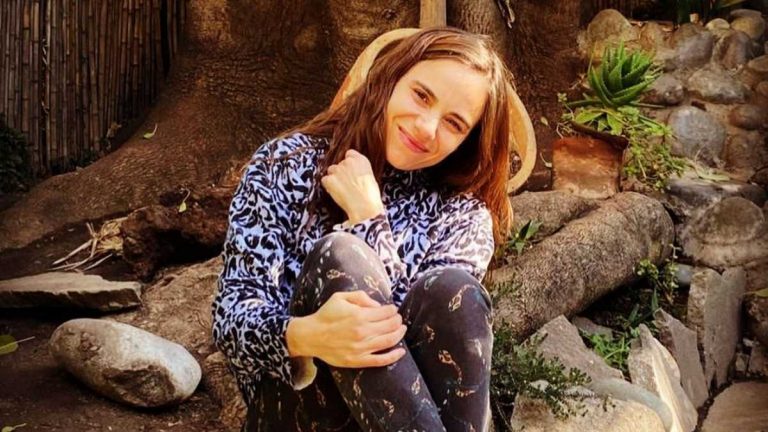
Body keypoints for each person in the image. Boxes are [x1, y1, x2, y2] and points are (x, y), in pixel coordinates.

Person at [212, 27, 517, 432]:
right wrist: (309, 335)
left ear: (468, 140)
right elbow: (231, 319)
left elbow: (420, 352)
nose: (426, 127)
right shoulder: (285, 166)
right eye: (421, 95)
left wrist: (369, 218)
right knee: (341, 256)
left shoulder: (461, 215)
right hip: (295, 414)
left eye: (454, 123)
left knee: (454, 290)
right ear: (390, 79)